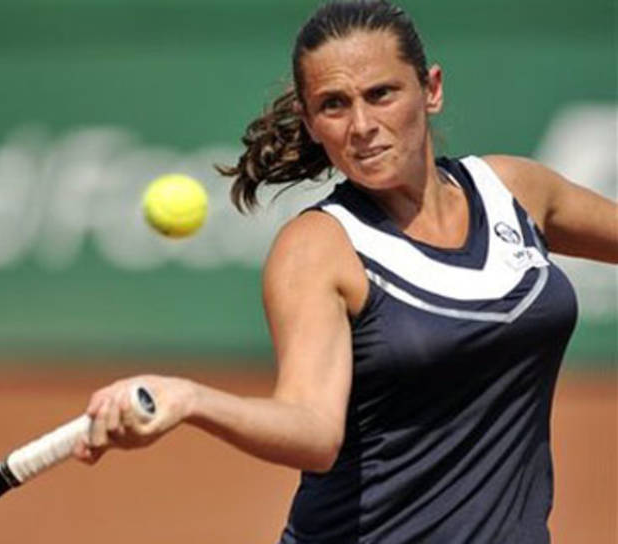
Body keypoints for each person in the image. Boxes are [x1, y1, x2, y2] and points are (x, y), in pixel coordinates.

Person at [71, 1, 618, 542]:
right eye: (334, 105)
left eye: (381, 94)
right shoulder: (318, 248)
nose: (362, 126)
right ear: (310, 123)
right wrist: (192, 399)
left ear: (431, 89)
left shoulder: (515, 191)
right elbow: (312, 429)